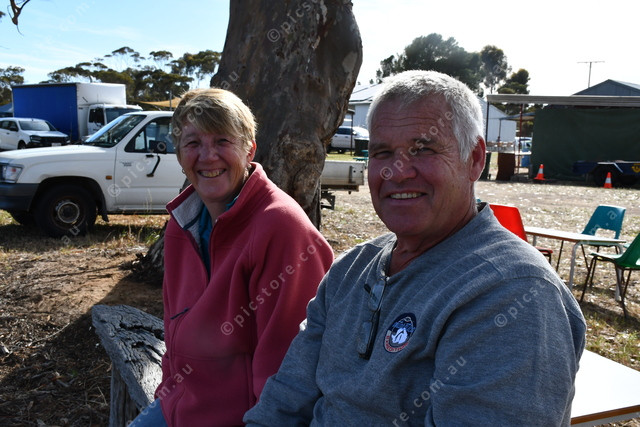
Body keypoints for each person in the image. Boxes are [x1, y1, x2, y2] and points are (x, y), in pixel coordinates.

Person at [244, 71, 586, 426]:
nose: (397, 172)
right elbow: (284, 400)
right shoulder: (351, 269)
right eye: (382, 152)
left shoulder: (511, 292)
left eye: (423, 149)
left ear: (474, 159)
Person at [130, 88, 334, 426]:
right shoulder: (183, 221)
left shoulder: (280, 228)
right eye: (193, 143)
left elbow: (291, 364)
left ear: (249, 149)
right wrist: (168, 392)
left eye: (222, 141)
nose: (208, 156)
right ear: (179, 155)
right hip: (179, 404)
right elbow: (174, 327)